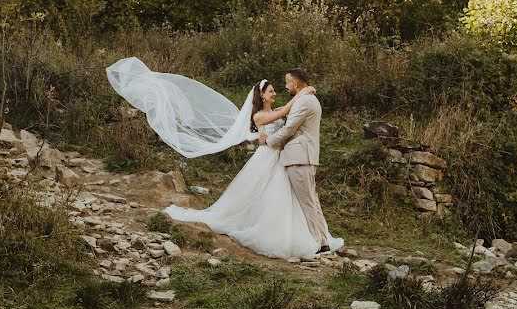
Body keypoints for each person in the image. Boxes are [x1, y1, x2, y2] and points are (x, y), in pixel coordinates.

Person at [105, 57, 343, 259]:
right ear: (262, 95)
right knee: (261, 194)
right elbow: (283, 116)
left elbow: (284, 117)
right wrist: (301, 94)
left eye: (280, 87)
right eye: (271, 90)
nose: (277, 91)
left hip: (281, 156)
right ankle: (289, 234)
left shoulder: (286, 106)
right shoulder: (260, 115)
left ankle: (309, 236)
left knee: (281, 196)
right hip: (270, 155)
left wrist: (301, 95)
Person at [259, 68, 336, 254]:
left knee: (308, 202)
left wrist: (268, 141)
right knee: (312, 200)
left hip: (300, 157)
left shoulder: (305, 102)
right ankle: (323, 239)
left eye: (287, 82)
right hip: (303, 157)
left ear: (295, 83)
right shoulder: (307, 99)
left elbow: (290, 129)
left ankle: (320, 243)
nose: (285, 86)